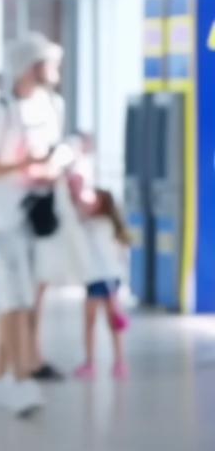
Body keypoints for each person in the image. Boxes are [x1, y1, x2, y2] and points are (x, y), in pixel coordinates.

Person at [0, 31, 71, 416]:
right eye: (50, 63)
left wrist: (52, 166)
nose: (56, 71)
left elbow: (52, 152)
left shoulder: (51, 106)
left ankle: (2, 379)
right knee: (16, 300)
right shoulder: (0, 111)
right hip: (3, 219)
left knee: (21, 298)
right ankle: (18, 380)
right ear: (30, 66)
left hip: (37, 216)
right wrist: (25, 165)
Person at [66, 135, 130, 381]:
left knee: (105, 321)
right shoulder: (97, 223)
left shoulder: (99, 225)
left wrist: (113, 289)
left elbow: (110, 257)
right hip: (100, 278)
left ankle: (110, 362)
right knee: (98, 321)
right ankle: (101, 362)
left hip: (105, 279)